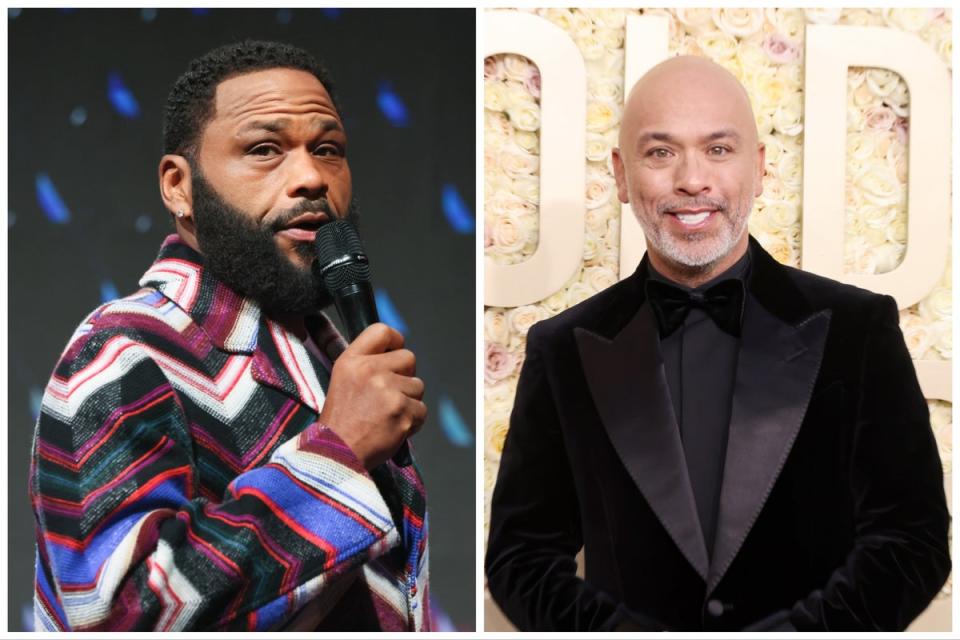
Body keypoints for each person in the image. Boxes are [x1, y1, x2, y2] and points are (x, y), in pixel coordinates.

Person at [485, 55, 950, 631]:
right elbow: (519, 558)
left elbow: (913, 541)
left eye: (719, 149)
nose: (692, 179)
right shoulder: (561, 349)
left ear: (759, 169)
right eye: (660, 152)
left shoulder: (858, 329)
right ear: (621, 175)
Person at [31, 40, 429, 632]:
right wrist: (339, 449)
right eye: (264, 149)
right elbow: (123, 615)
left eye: (328, 149)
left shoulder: (329, 355)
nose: (311, 177)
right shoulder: (123, 350)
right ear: (177, 186)